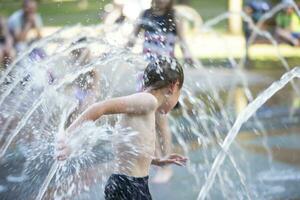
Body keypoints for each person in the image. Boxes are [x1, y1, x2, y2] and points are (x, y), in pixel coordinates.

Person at [56, 58, 187, 199]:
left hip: (125, 184)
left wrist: (157, 161)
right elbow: (100, 107)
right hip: (131, 186)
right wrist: (67, 134)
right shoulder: (148, 101)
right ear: (173, 86)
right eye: (179, 95)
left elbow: (133, 151)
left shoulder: (145, 106)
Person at [127, 0, 193, 64]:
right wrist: (125, 50)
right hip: (147, 61)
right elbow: (133, 37)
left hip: (167, 63)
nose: (161, 0)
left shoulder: (174, 15)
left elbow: (182, 40)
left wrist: (186, 54)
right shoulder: (145, 14)